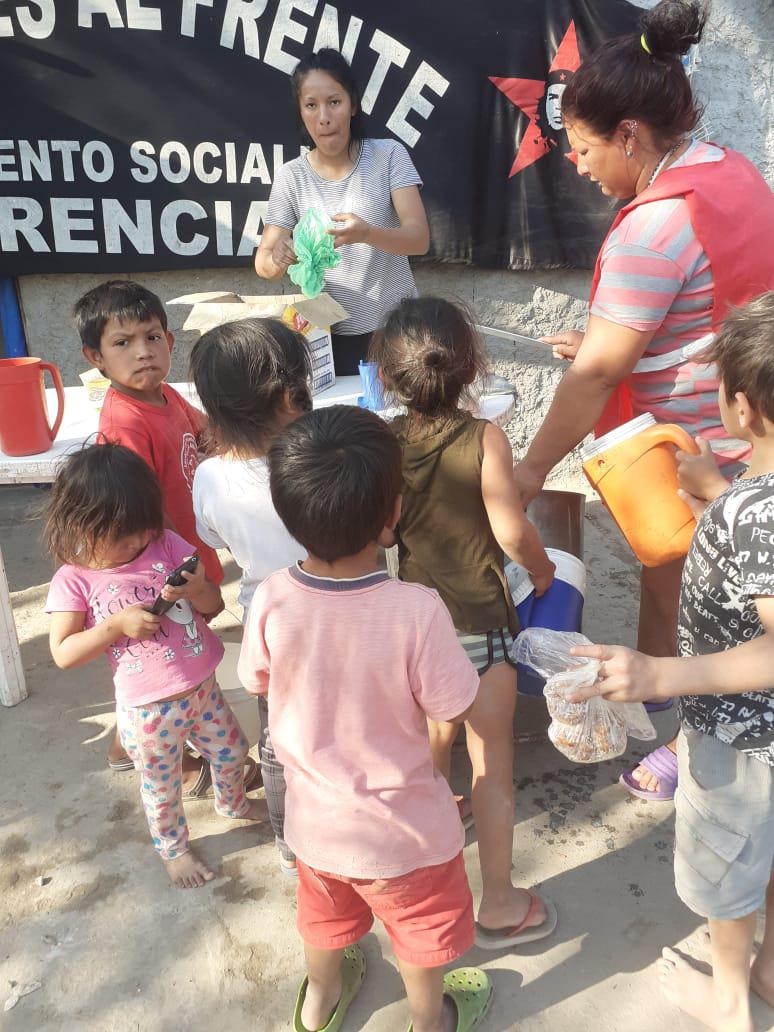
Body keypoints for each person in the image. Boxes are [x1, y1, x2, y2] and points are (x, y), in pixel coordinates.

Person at [512, 0, 774, 801]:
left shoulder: (647, 232)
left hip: (695, 452)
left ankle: (686, 730)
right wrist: (619, 347)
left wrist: (529, 471)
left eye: (585, 147)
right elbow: (711, 309)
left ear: (628, 135)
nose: (576, 163)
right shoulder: (728, 170)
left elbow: (594, 377)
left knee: (692, 597)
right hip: (750, 435)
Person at [238, 406, 492, 1032]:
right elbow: (454, 704)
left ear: (290, 515)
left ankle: (321, 1002)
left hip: (313, 827)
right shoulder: (418, 610)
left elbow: (257, 681)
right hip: (405, 836)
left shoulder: (271, 594)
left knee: (323, 922)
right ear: (391, 518)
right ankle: (428, 1020)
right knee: (420, 933)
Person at [567, 293, 774, 1032]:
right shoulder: (752, 502)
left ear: (741, 408)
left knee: (727, 870)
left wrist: (662, 676)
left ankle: (727, 1003)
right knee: (768, 851)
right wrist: (720, 491)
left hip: (738, 738)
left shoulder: (756, 515)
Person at [369, 297, 558, 949]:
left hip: (417, 631)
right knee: (492, 765)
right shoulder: (486, 439)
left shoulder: (386, 441)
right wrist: (541, 573)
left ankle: (407, 886)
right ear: (472, 366)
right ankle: (500, 903)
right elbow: (511, 532)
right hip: (482, 629)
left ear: (386, 375)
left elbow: (385, 529)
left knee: (425, 751)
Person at [44, 444, 268, 888]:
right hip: (148, 714)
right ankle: (174, 850)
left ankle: (234, 802)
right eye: (122, 534)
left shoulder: (165, 543)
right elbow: (63, 652)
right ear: (80, 525)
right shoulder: (74, 579)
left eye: (142, 529)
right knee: (162, 789)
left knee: (232, 752)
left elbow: (211, 606)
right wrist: (116, 626)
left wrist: (198, 587)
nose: (137, 542)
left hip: (201, 687)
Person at [73, 280, 229, 788]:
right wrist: (159, 573)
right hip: (154, 562)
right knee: (165, 662)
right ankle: (170, 758)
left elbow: (207, 433)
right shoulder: (124, 424)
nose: (142, 352)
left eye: (152, 337)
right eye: (123, 343)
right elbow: (129, 514)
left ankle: (126, 745)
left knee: (187, 644)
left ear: (170, 342)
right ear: (94, 357)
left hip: (184, 542)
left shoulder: (168, 397)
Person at [190, 317, 309, 875]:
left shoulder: (210, 477)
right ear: (291, 398)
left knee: (278, 740)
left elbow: (213, 537)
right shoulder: (321, 455)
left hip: (269, 622)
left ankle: (291, 848)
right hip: (347, 610)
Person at [254, 47, 430, 375]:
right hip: (326, 338)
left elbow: (418, 239)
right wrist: (278, 257)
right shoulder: (291, 176)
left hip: (398, 330)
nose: (324, 117)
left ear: (353, 104)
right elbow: (263, 262)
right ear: (301, 112)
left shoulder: (389, 156)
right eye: (311, 105)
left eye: (334, 102)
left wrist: (366, 233)